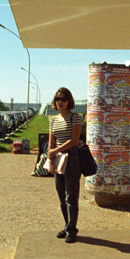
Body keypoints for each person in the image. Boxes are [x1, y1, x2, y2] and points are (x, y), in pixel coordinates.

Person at [47, 87, 83, 243]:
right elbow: (51, 141)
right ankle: (67, 225)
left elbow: (74, 140)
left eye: (63, 99)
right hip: (58, 158)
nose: (60, 102)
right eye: (57, 99)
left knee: (71, 196)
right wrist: (50, 159)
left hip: (72, 157)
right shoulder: (53, 120)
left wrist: (55, 151)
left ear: (69, 101)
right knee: (61, 195)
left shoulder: (75, 117)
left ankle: (72, 229)